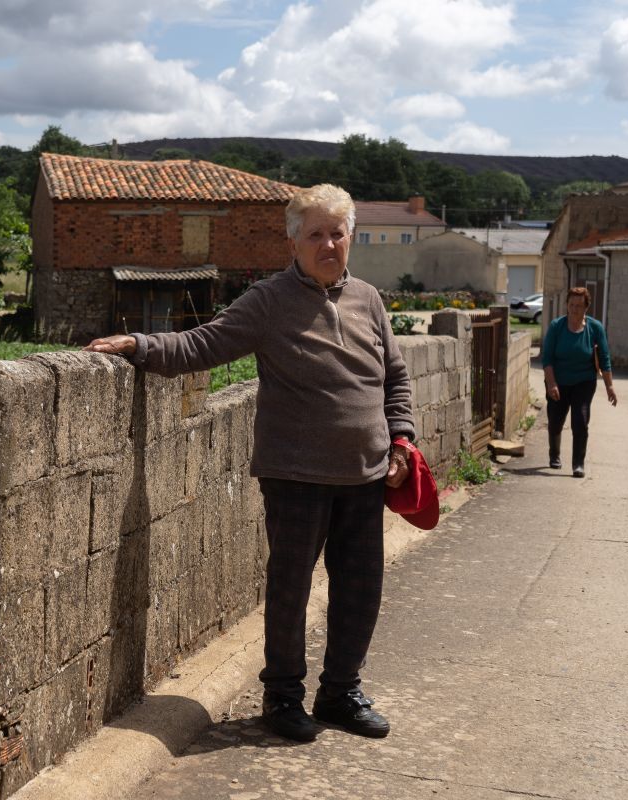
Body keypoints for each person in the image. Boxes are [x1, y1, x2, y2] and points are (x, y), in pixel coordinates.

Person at [85, 184, 414, 742]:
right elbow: (202, 345)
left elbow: (396, 378)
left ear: (352, 237)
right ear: (292, 240)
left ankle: (340, 694)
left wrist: (402, 440)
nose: (328, 244)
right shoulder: (268, 301)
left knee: (361, 591)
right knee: (290, 592)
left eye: (338, 233)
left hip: (366, 475)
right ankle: (283, 697)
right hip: (296, 478)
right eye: (316, 234)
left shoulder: (370, 300)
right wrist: (140, 344)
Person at [541, 287, 617, 477]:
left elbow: (604, 358)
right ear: (567, 305)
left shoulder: (595, 328)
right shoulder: (556, 326)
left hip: (584, 381)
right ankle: (554, 454)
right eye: (571, 305)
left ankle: (578, 464)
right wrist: (551, 384)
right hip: (558, 380)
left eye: (579, 306)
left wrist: (610, 386)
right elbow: (547, 358)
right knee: (555, 421)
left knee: (580, 420)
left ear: (586, 308)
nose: (574, 309)